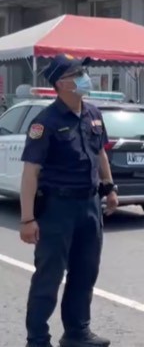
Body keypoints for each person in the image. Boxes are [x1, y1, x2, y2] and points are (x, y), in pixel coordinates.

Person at [19, 53, 119, 347]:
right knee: (48, 277)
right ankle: (37, 339)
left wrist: (109, 188)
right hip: (56, 208)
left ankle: (77, 332)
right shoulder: (45, 122)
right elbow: (30, 173)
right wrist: (27, 219)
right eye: (77, 74)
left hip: (89, 206)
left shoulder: (93, 114)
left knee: (85, 271)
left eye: (83, 72)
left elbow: (100, 153)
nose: (84, 77)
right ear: (61, 84)